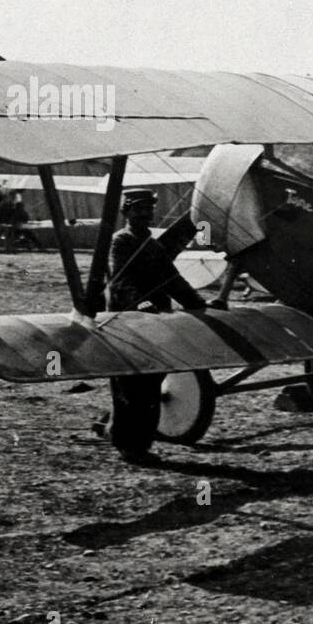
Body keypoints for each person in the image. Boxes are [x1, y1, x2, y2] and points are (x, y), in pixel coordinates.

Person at [101, 188, 208, 461]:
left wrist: (195, 301)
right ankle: (129, 446)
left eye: (148, 209)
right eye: (138, 209)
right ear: (126, 212)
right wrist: (139, 303)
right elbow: (120, 280)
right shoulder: (120, 241)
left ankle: (130, 436)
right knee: (131, 384)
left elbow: (171, 278)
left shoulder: (151, 242)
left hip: (156, 321)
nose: (144, 214)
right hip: (127, 320)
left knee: (150, 383)